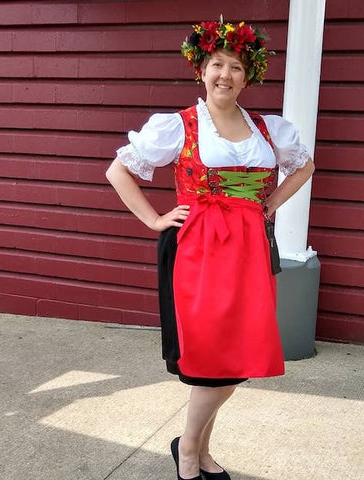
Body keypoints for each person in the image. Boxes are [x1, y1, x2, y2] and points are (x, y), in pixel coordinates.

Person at [106, 18, 315, 480]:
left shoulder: (268, 129)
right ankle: (188, 452)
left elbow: (305, 167)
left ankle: (196, 448)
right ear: (201, 70)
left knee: (239, 358)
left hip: (250, 251)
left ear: (248, 76)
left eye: (236, 67)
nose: (225, 74)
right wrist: (155, 219)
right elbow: (118, 171)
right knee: (210, 361)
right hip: (197, 251)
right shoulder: (178, 126)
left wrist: (271, 204)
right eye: (217, 64)